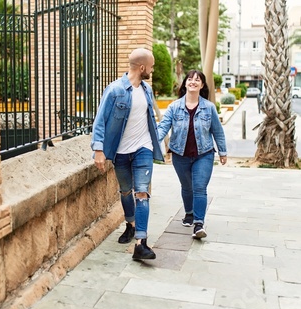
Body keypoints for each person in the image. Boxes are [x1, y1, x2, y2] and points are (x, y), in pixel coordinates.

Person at [91, 48, 164, 260]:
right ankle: (130, 225)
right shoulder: (115, 90)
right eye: (151, 66)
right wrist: (98, 150)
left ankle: (141, 242)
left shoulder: (147, 90)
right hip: (121, 152)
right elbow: (100, 120)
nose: (152, 69)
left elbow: (150, 119)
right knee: (125, 191)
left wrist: (157, 142)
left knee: (142, 192)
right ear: (142, 68)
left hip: (143, 148)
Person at [157, 69, 227, 239]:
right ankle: (189, 212)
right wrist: (152, 143)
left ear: (202, 85)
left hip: (204, 154)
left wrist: (223, 151)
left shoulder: (209, 108)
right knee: (187, 187)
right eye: (190, 79)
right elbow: (163, 127)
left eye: (197, 80)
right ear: (185, 83)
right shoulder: (174, 107)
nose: (193, 82)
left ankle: (198, 224)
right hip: (180, 155)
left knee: (199, 188)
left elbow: (217, 131)